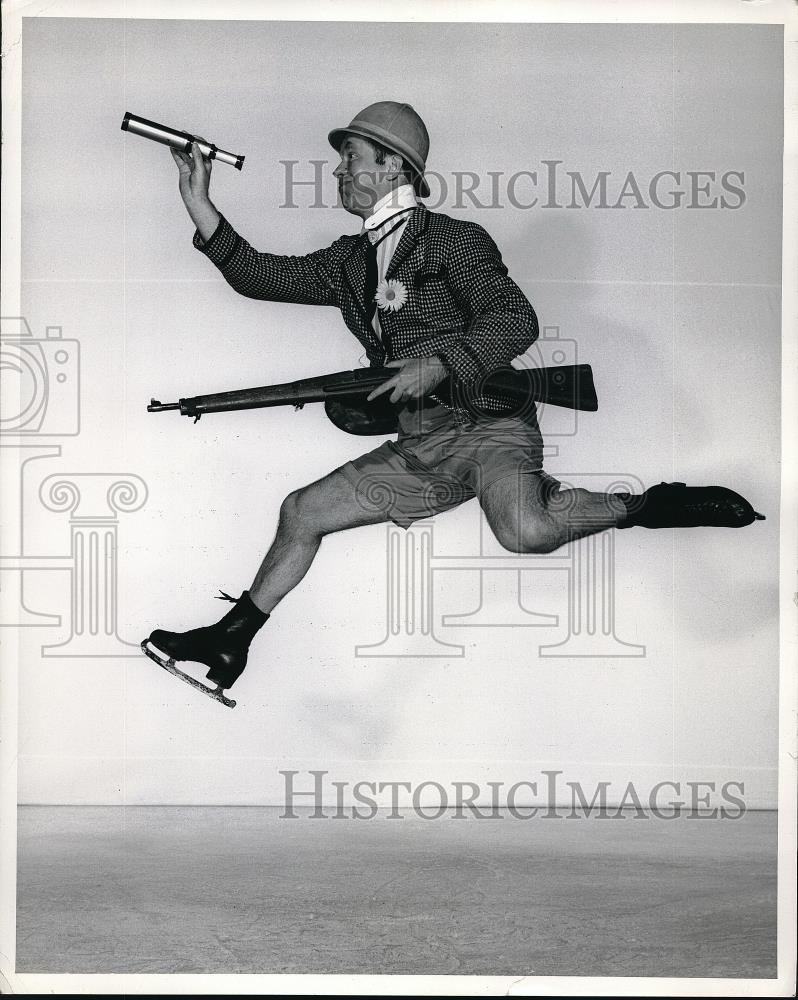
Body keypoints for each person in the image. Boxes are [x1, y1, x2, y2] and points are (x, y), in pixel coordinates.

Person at [145, 101, 764, 703]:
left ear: (392, 166)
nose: (337, 172)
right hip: (423, 446)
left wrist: (440, 362)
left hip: (490, 427)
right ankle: (231, 643)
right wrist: (198, 199)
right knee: (303, 511)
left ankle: (647, 506)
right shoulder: (348, 260)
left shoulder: (455, 241)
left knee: (525, 532)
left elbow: (515, 319)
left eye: (350, 158)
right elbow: (262, 277)